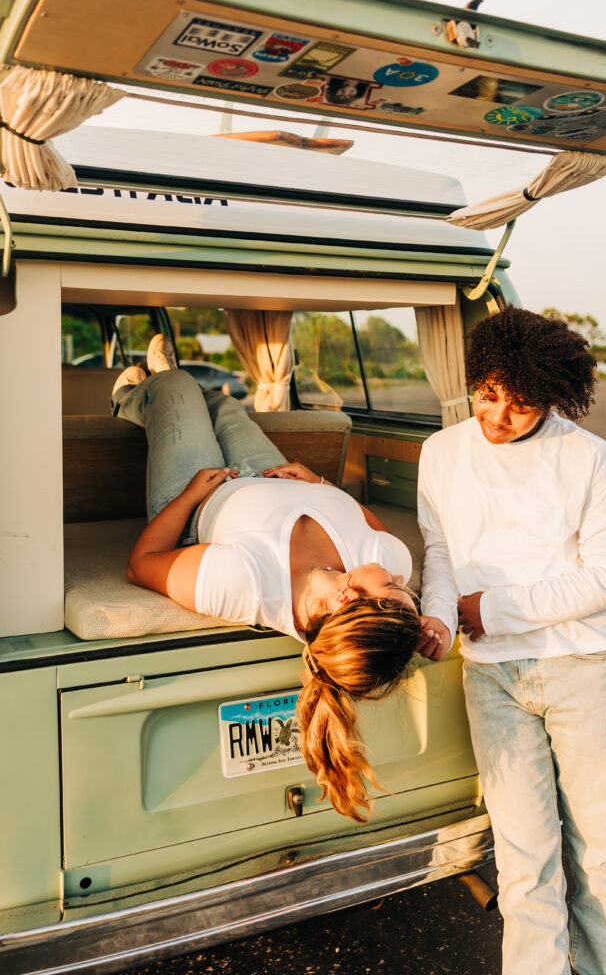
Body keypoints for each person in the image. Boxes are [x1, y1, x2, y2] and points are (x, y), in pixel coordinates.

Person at [112, 335, 427, 823]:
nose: (403, 580)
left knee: (175, 387)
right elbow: (378, 531)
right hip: (277, 476)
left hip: (198, 492)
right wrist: (321, 484)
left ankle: (134, 395)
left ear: (347, 595)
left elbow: (143, 562)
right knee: (229, 409)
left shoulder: (245, 584)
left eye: (395, 590)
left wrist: (193, 494)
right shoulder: (386, 560)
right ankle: (192, 394)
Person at [417, 307, 606, 975]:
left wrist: (493, 608)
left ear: (552, 398)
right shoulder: (441, 453)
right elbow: (441, 554)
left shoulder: (584, 455)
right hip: (491, 677)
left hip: (585, 668)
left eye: (519, 405)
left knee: (604, 854)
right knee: (524, 863)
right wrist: (438, 616)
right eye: (487, 395)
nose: (495, 416)